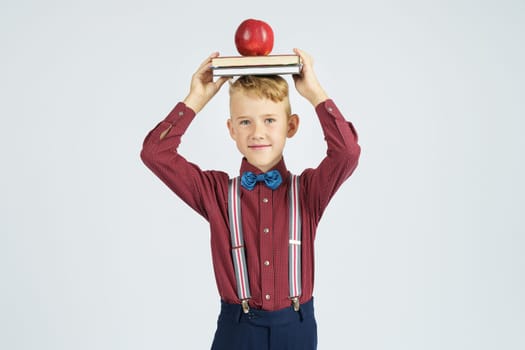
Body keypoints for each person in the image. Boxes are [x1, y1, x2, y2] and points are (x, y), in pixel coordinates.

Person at [141, 48, 361, 350]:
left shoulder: (309, 191)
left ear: (291, 126)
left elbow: (347, 153)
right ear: (231, 129)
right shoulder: (216, 193)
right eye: (245, 122)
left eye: (270, 120)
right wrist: (195, 100)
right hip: (237, 329)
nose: (258, 132)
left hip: (296, 329)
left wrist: (315, 93)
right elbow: (155, 153)